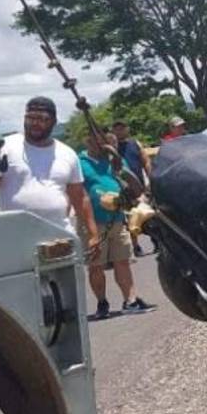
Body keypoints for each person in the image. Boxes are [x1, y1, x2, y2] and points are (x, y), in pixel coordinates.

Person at [0, 97, 100, 258]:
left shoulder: (67, 153)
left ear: (54, 122)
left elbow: (79, 196)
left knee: (67, 283)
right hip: (16, 240)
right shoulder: (3, 147)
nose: (35, 123)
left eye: (42, 119)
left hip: (60, 238)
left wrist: (93, 233)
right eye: (31, 118)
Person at [78, 130, 156, 319]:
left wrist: (118, 162)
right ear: (88, 142)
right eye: (97, 141)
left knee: (123, 261)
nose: (101, 145)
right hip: (93, 223)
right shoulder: (79, 163)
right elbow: (74, 191)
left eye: (105, 141)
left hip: (117, 219)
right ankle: (102, 303)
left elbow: (134, 186)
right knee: (96, 265)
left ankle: (130, 300)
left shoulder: (114, 160)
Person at [112, 120, 150, 256]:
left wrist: (150, 178)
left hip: (139, 185)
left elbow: (145, 160)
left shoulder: (135, 144)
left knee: (147, 214)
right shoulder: (112, 147)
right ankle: (135, 246)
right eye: (116, 129)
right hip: (122, 187)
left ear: (127, 129)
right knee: (130, 218)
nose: (119, 131)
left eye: (122, 128)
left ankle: (156, 241)